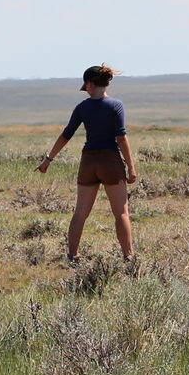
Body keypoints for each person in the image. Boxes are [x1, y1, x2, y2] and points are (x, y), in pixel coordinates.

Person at [35, 64, 137, 265]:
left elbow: (66, 135)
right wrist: (131, 167)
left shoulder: (82, 107)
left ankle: (72, 256)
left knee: (80, 213)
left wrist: (48, 159)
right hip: (110, 161)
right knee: (121, 213)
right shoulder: (116, 105)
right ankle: (129, 257)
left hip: (88, 162)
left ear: (89, 84)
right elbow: (121, 138)